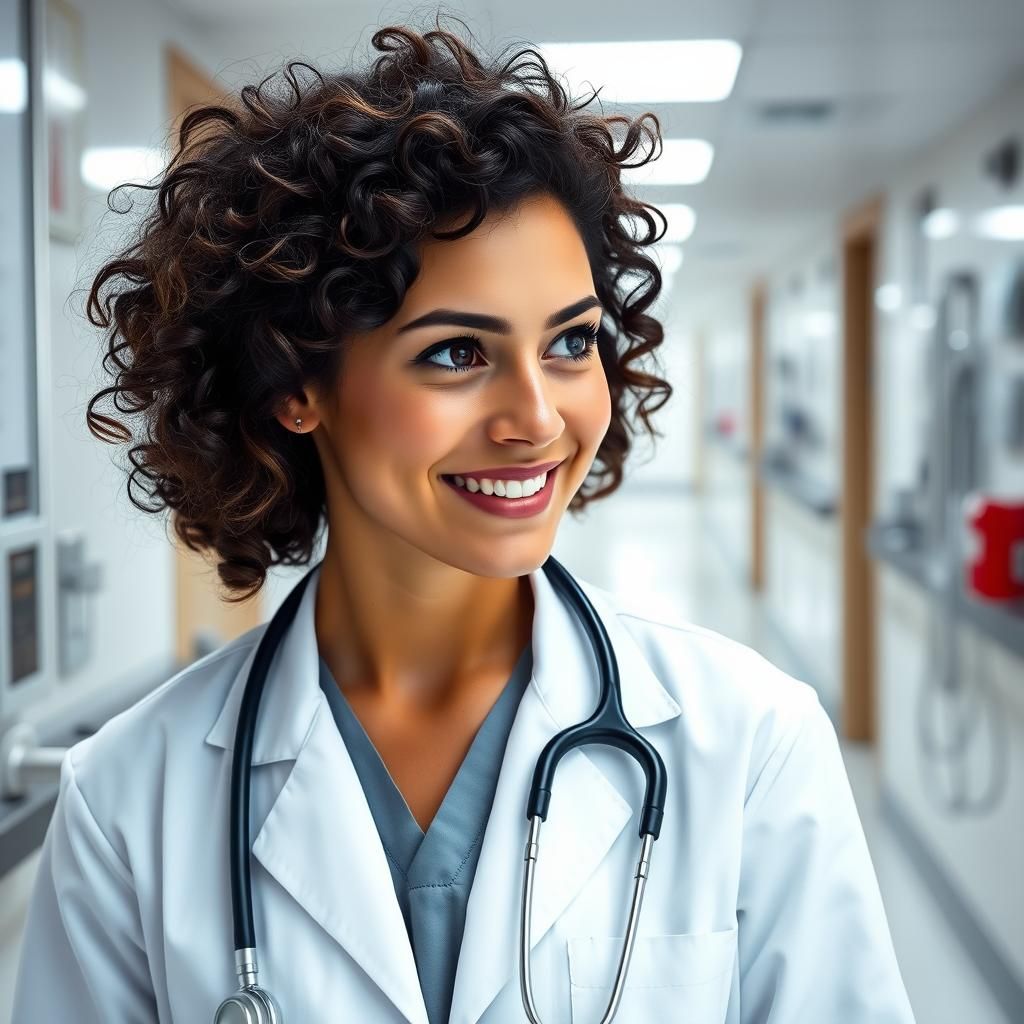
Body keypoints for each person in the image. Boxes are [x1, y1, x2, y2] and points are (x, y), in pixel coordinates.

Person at [12, 14, 916, 1023]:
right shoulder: (130, 800)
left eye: (571, 342)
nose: (538, 417)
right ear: (294, 385)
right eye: (456, 352)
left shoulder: (749, 739)